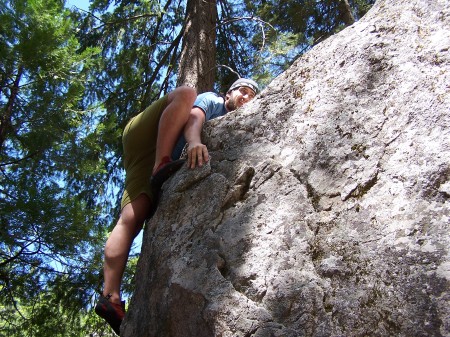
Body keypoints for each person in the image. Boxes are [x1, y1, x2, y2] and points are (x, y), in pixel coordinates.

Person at [94, 78, 259, 335]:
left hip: (145, 157)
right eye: (243, 92)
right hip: (147, 136)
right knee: (186, 93)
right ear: (229, 93)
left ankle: (110, 298)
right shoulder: (213, 102)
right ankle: (162, 162)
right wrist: (193, 142)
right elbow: (194, 117)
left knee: (132, 217)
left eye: (252, 96)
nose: (247, 98)